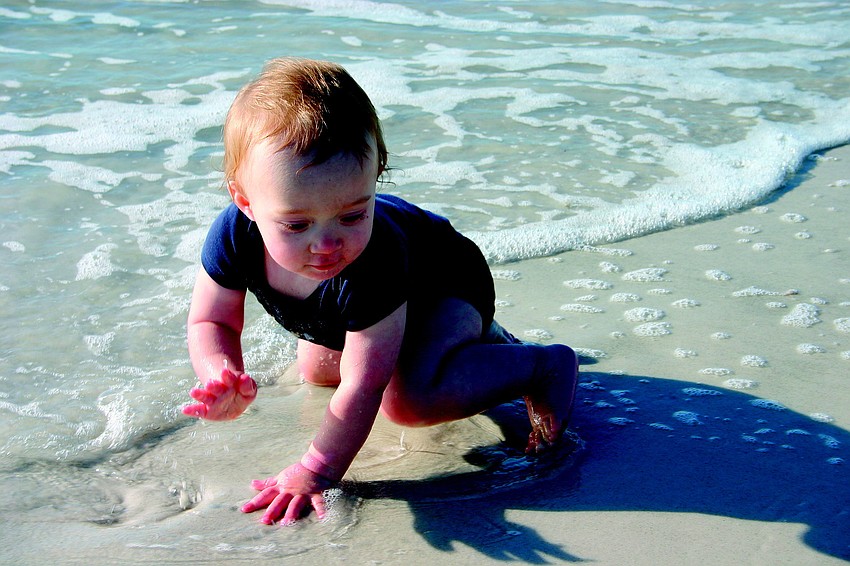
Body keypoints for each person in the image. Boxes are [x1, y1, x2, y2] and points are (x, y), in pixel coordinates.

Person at [182, 57, 578, 526]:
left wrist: (316, 469)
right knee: (317, 369)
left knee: (407, 400)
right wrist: (221, 374)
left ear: (376, 178)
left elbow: (363, 386)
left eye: (353, 214)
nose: (327, 244)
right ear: (246, 203)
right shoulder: (232, 237)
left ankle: (541, 365)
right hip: (377, 304)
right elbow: (213, 320)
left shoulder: (375, 258)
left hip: (443, 285)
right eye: (297, 224)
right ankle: (462, 347)